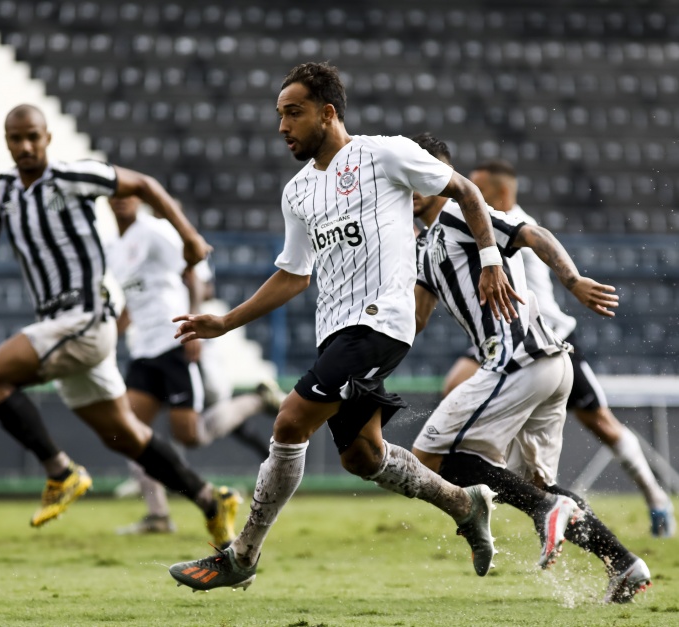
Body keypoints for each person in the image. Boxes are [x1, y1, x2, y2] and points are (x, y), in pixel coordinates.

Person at [167, 62, 523, 592]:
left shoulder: (385, 153)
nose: (282, 126)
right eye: (279, 115)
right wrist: (226, 321)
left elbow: (467, 191)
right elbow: (292, 276)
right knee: (363, 457)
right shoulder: (297, 193)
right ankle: (463, 502)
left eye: (294, 113)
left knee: (289, 422)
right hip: (337, 332)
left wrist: (491, 259)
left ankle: (242, 555)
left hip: (381, 324)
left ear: (327, 113)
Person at [0, 104, 240, 547]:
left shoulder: (72, 176)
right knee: (125, 436)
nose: (26, 146)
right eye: (16, 139)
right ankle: (211, 500)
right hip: (60, 330)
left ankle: (60, 472)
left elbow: (144, 184)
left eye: (33, 136)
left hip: (85, 319)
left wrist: (188, 235)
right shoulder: (2, 192)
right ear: (7, 142)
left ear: (48, 137)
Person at [409, 133, 651, 603]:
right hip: (548, 363)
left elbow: (531, 233)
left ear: (444, 177)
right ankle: (623, 563)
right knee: (534, 484)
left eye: (425, 176)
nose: (413, 187)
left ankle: (546, 509)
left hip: (519, 358)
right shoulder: (426, 245)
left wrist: (573, 279)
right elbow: (414, 321)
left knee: (430, 458)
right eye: (407, 177)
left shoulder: (461, 214)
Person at [441, 159, 675, 539]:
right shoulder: (471, 221)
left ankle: (656, 498)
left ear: (500, 193)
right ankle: (505, 481)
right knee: (455, 385)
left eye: (478, 189)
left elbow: (535, 238)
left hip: (549, 340)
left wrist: (574, 279)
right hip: (504, 340)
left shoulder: (508, 220)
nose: (469, 195)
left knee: (602, 424)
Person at [105, 195, 284, 534]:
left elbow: (194, 270)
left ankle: (258, 399)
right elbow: (133, 298)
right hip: (144, 350)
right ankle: (158, 515)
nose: (120, 201)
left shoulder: (156, 230)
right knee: (127, 432)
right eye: (114, 194)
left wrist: (196, 330)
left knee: (191, 436)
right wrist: (110, 335)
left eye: (127, 193)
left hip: (174, 343)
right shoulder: (115, 248)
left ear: (139, 197)